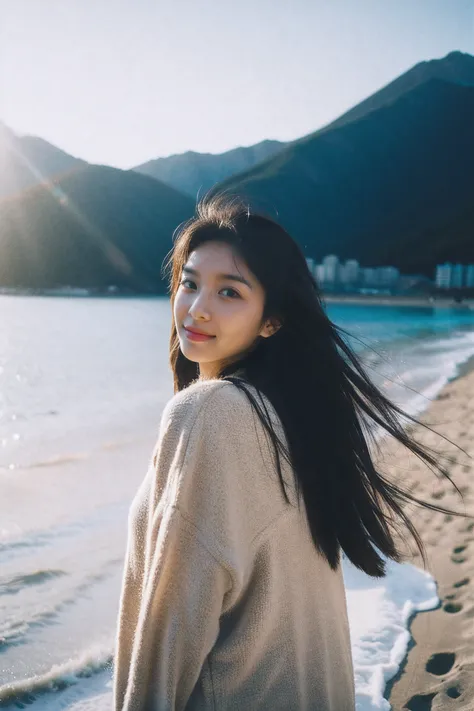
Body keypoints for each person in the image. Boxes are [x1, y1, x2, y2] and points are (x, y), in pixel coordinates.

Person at [113, 192, 469, 711]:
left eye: (229, 293)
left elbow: (175, 622)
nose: (197, 307)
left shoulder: (210, 412)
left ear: (271, 320)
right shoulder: (287, 415)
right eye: (189, 283)